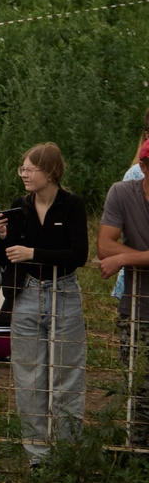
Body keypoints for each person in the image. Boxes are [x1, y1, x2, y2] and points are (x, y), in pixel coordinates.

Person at [0, 142, 89, 465]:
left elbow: (79, 255)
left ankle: (66, 453)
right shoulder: (20, 206)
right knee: (29, 378)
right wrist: (3, 236)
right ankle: (38, 457)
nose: (24, 175)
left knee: (67, 376)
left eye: (30, 169)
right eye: (23, 169)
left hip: (65, 293)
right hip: (28, 293)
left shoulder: (72, 206)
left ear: (50, 171)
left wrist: (34, 253)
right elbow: (4, 259)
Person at [95, 129, 149, 453]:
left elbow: (115, 253)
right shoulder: (121, 192)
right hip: (136, 309)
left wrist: (127, 258)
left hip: (136, 299)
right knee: (137, 389)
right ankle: (139, 458)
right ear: (143, 166)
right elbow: (103, 246)